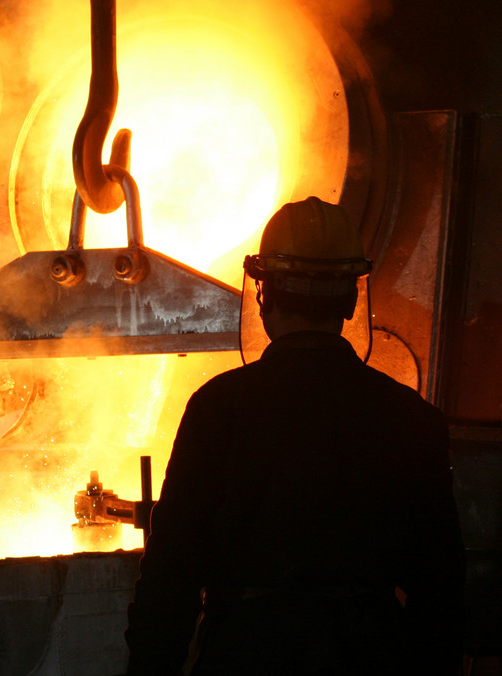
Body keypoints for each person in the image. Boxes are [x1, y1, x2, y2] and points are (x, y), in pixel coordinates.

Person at [124, 196, 465, 675]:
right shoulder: (410, 418)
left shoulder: (218, 409)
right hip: (368, 657)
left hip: (245, 656)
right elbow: (441, 590)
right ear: (350, 298)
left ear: (263, 296)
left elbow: (170, 578)